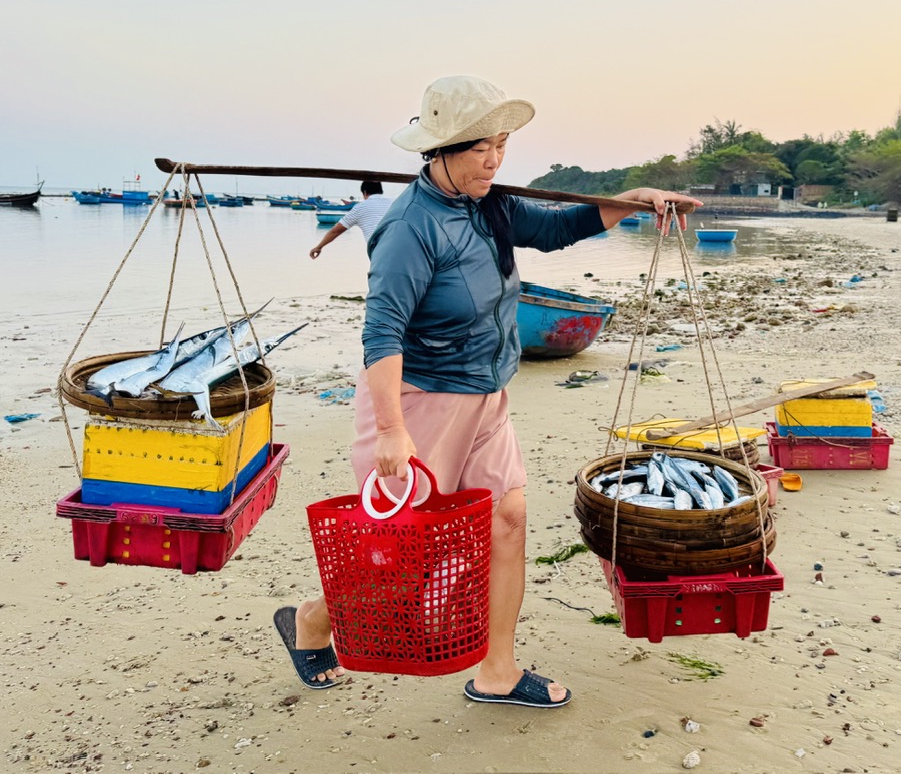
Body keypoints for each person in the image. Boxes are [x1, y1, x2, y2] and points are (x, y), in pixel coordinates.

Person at [274, 75, 701, 706]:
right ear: (440, 150)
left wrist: (629, 200)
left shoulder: (492, 204)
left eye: (502, 145)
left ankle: (496, 670)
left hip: (486, 398)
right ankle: (311, 621)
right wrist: (392, 430)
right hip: (418, 406)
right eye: (482, 149)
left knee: (508, 517)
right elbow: (381, 332)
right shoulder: (409, 228)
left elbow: (558, 228)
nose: (495, 160)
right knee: (398, 558)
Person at [309, 181, 392, 257]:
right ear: (381, 191)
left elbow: (335, 231)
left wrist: (319, 247)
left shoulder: (360, 207)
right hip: (402, 250)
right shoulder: (395, 203)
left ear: (365, 193)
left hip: (379, 253)